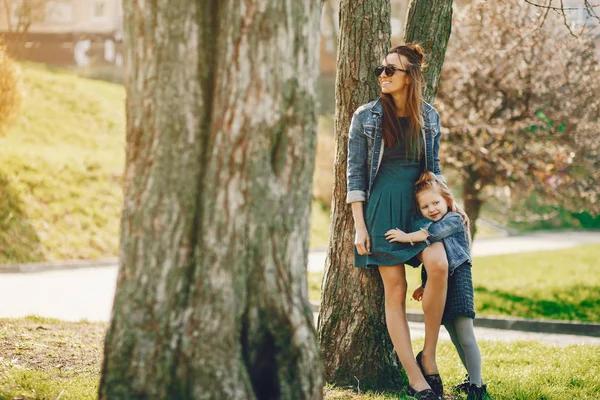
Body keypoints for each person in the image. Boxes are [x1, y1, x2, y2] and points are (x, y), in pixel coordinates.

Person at [347, 43, 463, 400]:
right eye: (382, 69)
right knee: (395, 292)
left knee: (439, 265)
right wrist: (359, 225)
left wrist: (446, 201)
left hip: (419, 206)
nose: (382, 75)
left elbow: (434, 167)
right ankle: (417, 380)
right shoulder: (365, 116)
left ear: (410, 77)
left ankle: (428, 355)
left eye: (391, 70)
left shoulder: (429, 116)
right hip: (382, 207)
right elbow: (354, 173)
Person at [385, 172, 489, 400]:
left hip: (459, 281)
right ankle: (473, 380)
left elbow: (429, 235)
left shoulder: (453, 219)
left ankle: (478, 388)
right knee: (454, 334)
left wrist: (405, 237)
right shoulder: (438, 219)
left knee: (465, 335)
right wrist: (425, 285)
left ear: (448, 201)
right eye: (425, 207)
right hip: (447, 283)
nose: (432, 209)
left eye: (435, 203)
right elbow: (435, 267)